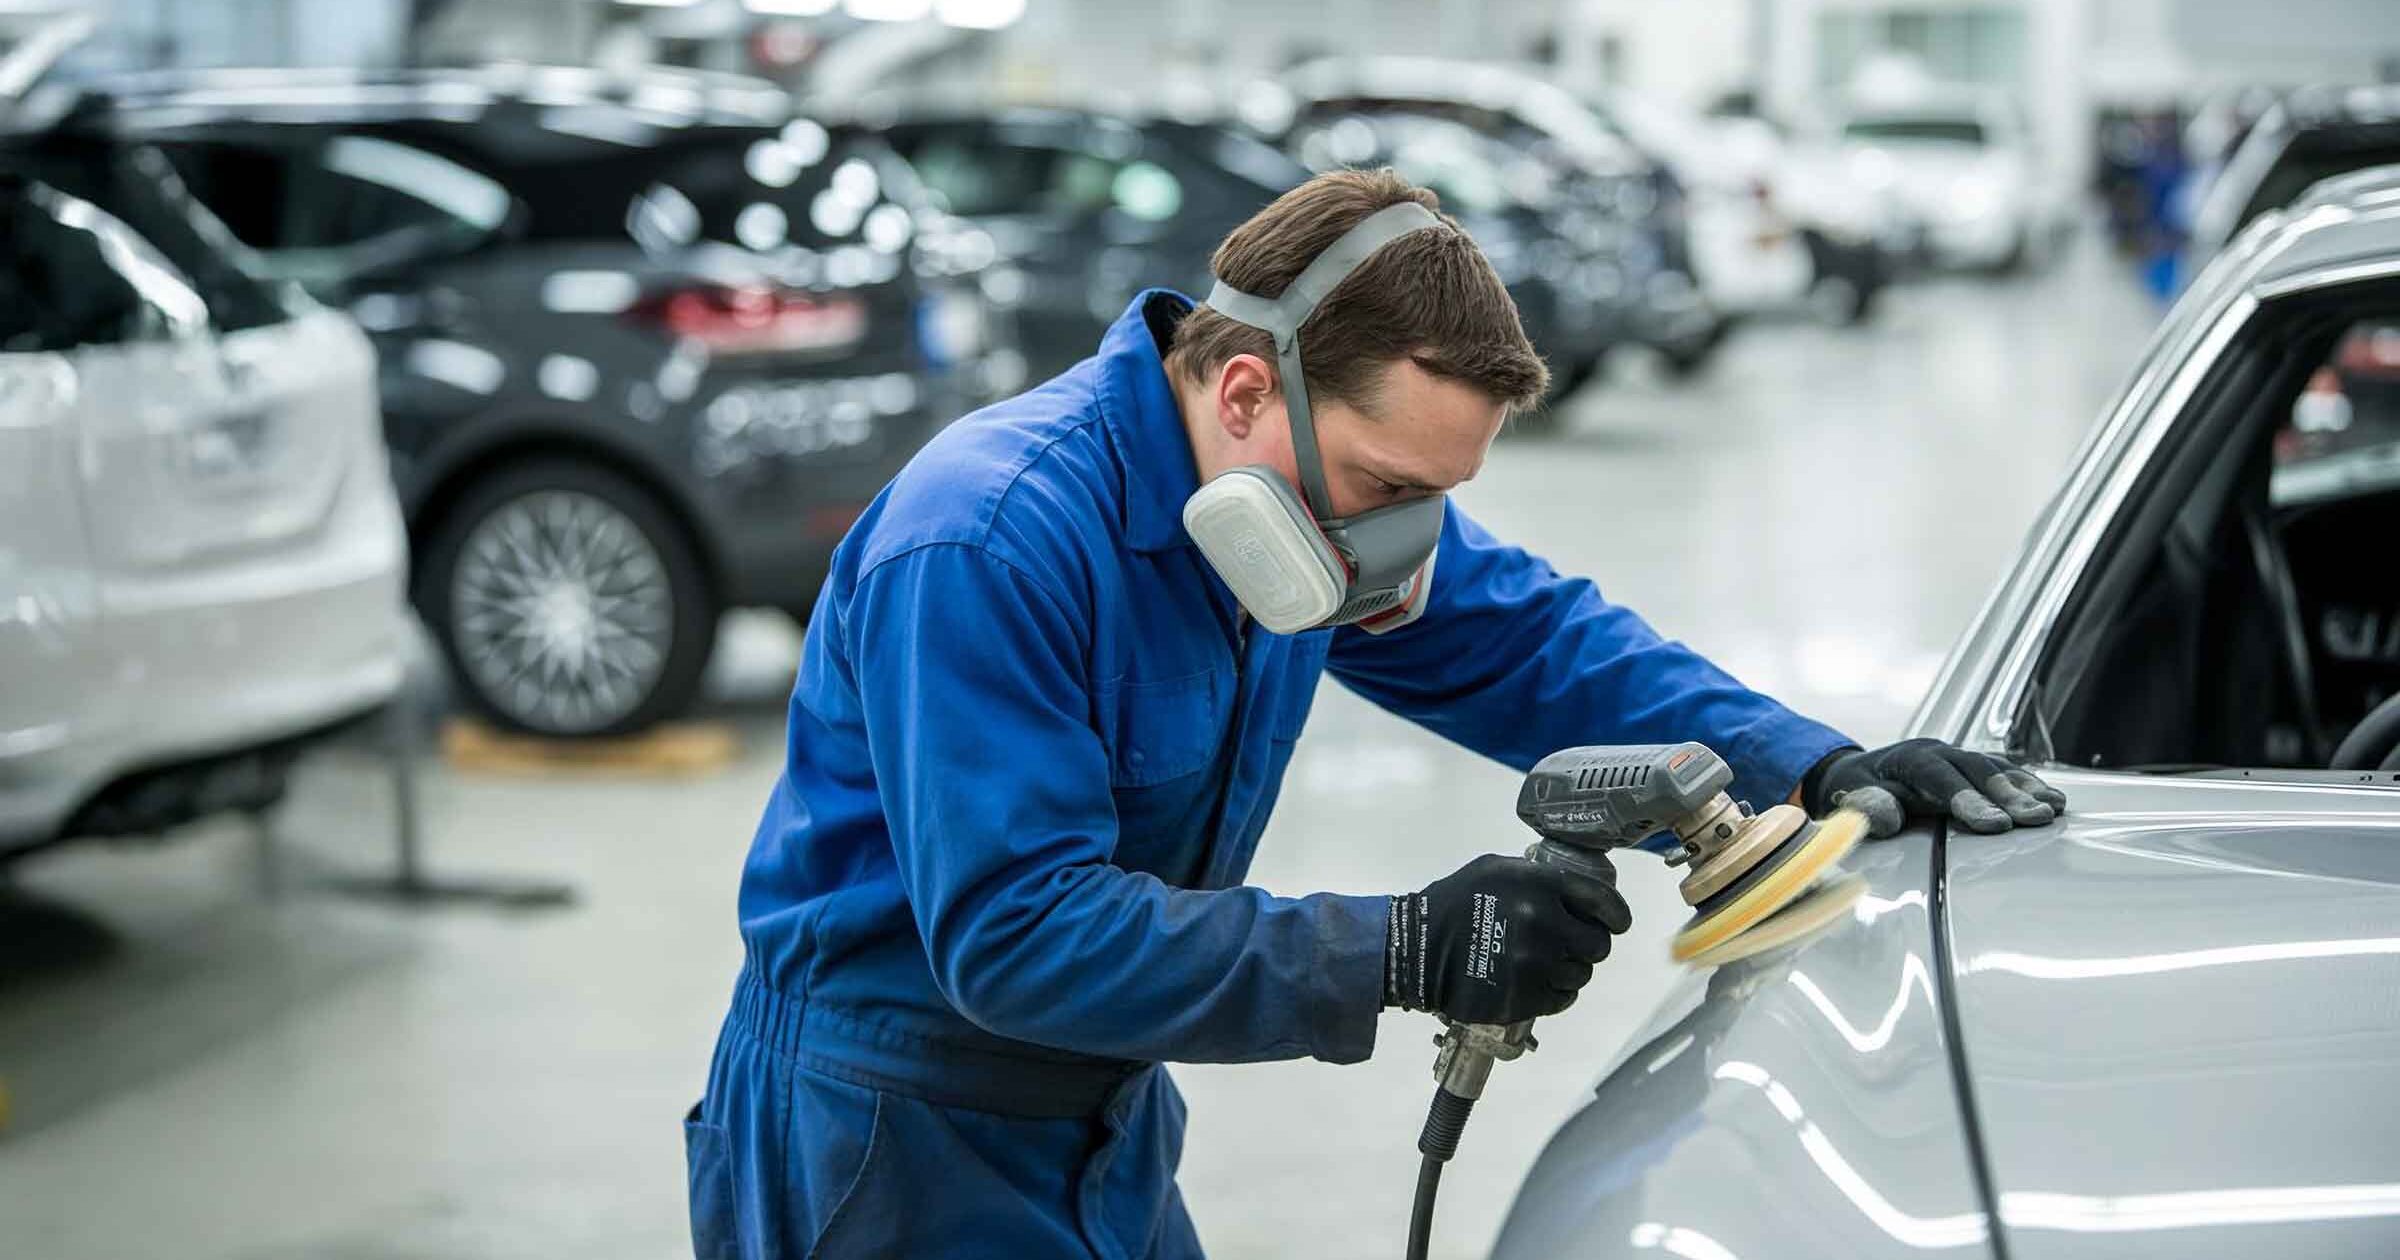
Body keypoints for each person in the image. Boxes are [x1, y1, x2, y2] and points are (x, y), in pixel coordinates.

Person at [684, 168, 2064, 1259]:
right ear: (1242, 389)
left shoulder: (1311, 509)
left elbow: (1533, 643)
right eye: (1385, 483)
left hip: (1098, 1112)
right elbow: (1017, 937)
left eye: (1433, 500)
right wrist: (1398, 946)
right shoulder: (987, 542)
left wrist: (1815, 767)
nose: (1401, 548)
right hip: (884, 1138)